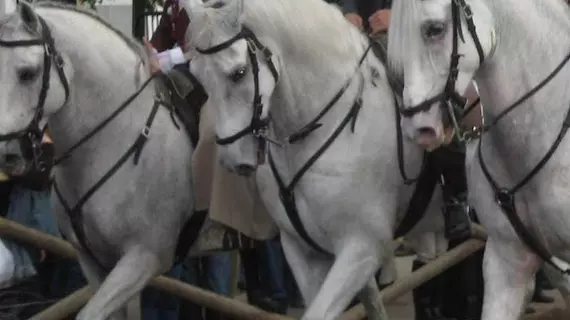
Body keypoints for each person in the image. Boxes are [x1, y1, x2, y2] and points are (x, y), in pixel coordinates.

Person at [341, 1, 481, 319]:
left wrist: (400, 19)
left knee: (429, 104)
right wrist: (346, 13)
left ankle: (455, 194)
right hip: (357, 40)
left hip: (416, 37)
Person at [146, 1, 279, 318]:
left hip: (226, 75)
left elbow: (221, 40)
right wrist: (149, 53)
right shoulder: (174, 5)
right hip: (188, 73)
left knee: (213, 134)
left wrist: (165, 59)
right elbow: (164, 36)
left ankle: (221, 223)